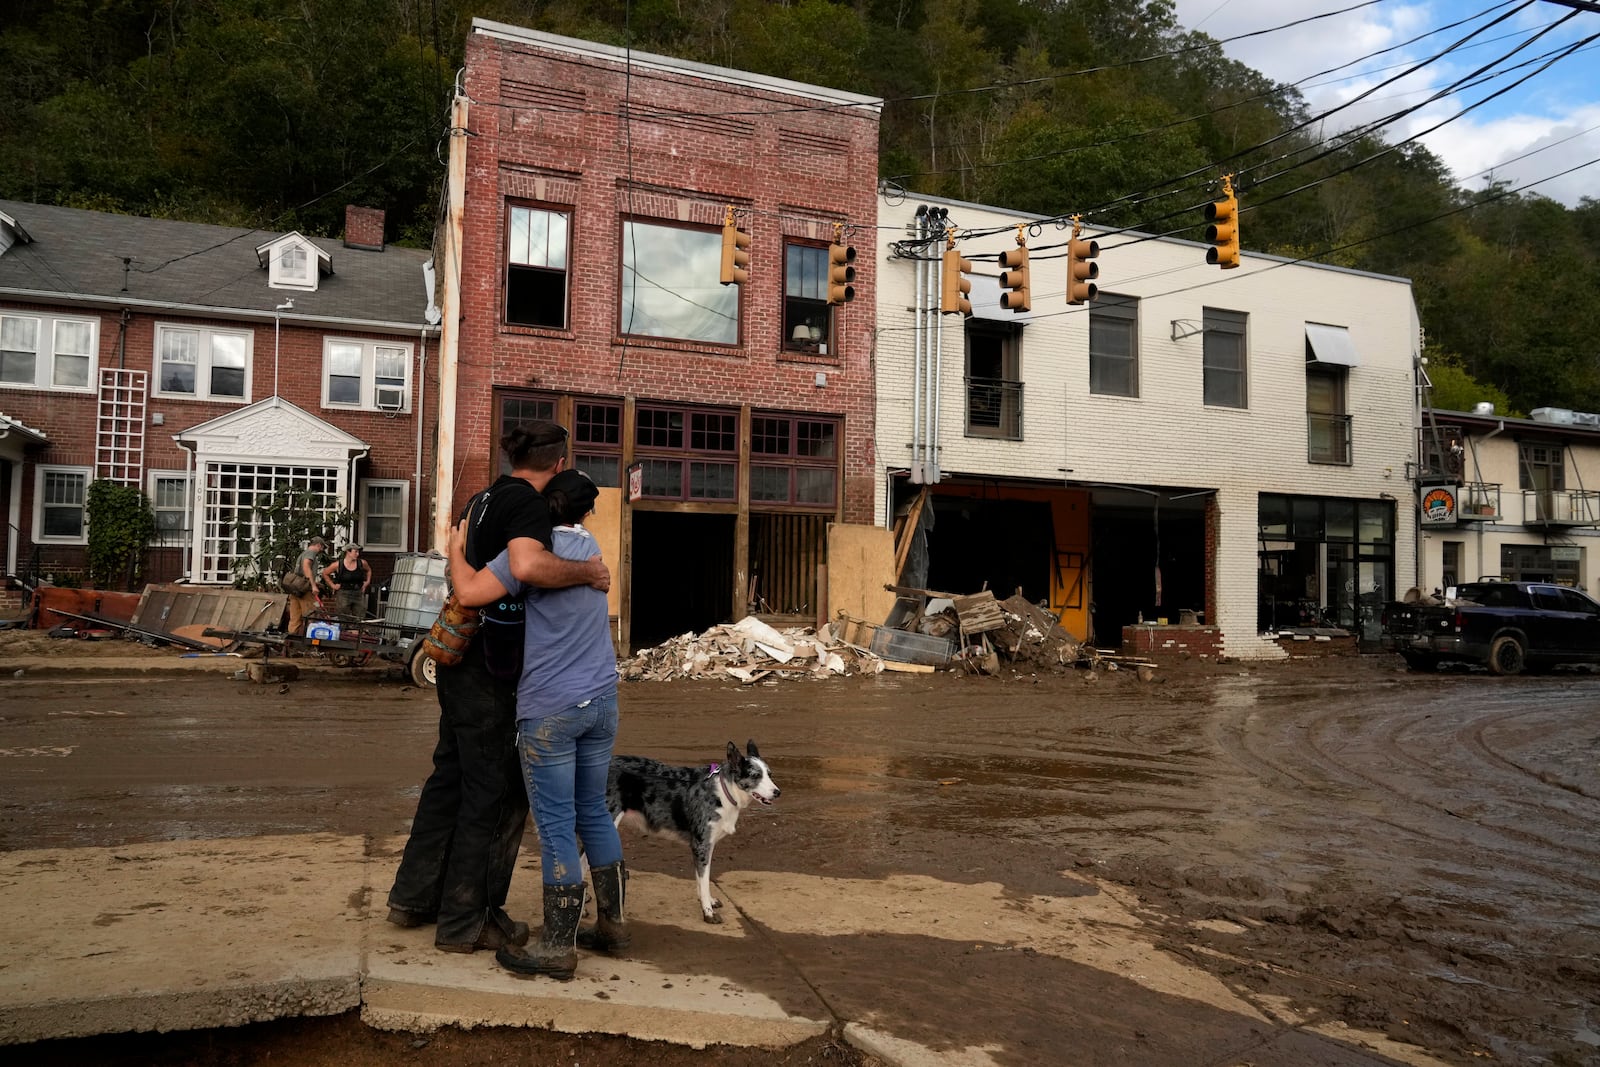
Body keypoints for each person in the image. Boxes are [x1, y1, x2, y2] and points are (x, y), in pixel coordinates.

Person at [386, 422, 609, 954]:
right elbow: (528, 565)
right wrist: (587, 572)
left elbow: (459, 561)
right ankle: (469, 920)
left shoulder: (480, 499)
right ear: (558, 465)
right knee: (497, 792)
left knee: (450, 780)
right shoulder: (528, 507)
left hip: (458, 663)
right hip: (493, 669)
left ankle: (414, 898)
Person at [447, 468, 624, 981]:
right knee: (592, 809)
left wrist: (456, 547)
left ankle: (557, 945)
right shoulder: (592, 552)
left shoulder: (527, 557)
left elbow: (470, 593)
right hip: (602, 701)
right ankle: (613, 924)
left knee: (553, 826)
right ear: (586, 511)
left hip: (551, 708)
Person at [286, 536, 326, 636]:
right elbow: (306, 567)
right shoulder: (310, 553)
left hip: (296, 589)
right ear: (318, 545)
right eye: (322, 547)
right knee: (311, 615)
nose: (322, 550)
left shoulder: (303, 553)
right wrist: (313, 585)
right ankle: (311, 639)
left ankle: (292, 638)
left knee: (295, 616)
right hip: (305, 590)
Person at [322, 544, 372, 619]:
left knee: (359, 615)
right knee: (343, 616)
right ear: (348, 552)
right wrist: (332, 585)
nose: (357, 554)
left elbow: (369, 570)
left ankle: (357, 630)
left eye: (358, 552)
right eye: (355, 552)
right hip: (343, 592)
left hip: (358, 592)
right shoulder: (338, 564)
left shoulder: (362, 563)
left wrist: (367, 582)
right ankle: (344, 630)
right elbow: (325, 573)